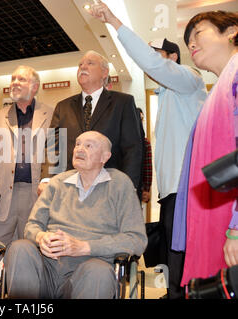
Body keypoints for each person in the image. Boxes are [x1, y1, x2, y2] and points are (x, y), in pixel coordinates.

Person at [88, 1, 207, 298]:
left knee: (183, 262)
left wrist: (114, 21)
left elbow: (151, 64)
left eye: (157, 57)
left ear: (173, 58)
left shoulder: (188, 80)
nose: (149, 64)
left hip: (187, 190)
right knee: (169, 260)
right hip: (172, 193)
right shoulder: (168, 96)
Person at [5, 131, 147, 299]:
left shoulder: (120, 184)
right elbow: (32, 225)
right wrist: (41, 236)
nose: (79, 149)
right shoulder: (58, 182)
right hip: (48, 267)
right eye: (78, 144)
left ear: (105, 156)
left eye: (88, 146)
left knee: (98, 271)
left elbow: (136, 240)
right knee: (20, 248)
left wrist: (84, 247)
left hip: (89, 269)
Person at [172, 10, 238, 287]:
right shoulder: (221, 86)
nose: (191, 44)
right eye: (188, 41)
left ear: (232, 31)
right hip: (214, 220)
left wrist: (236, 229)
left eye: (198, 33)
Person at [39, 50, 143, 195]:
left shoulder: (123, 103)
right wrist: (46, 180)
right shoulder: (63, 107)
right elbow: (53, 147)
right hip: (69, 191)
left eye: (90, 63)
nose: (83, 67)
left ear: (105, 73)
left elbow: (133, 149)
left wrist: (128, 186)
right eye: (80, 64)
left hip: (110, 190)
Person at [0, 65, 53, 246]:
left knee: (31, 248)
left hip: (35, 193)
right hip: (3, 193)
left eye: (21, 79)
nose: (15, 83)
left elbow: (56, 155)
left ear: (35, 86)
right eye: (13, 79)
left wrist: (47, 182)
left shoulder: (52, 115)